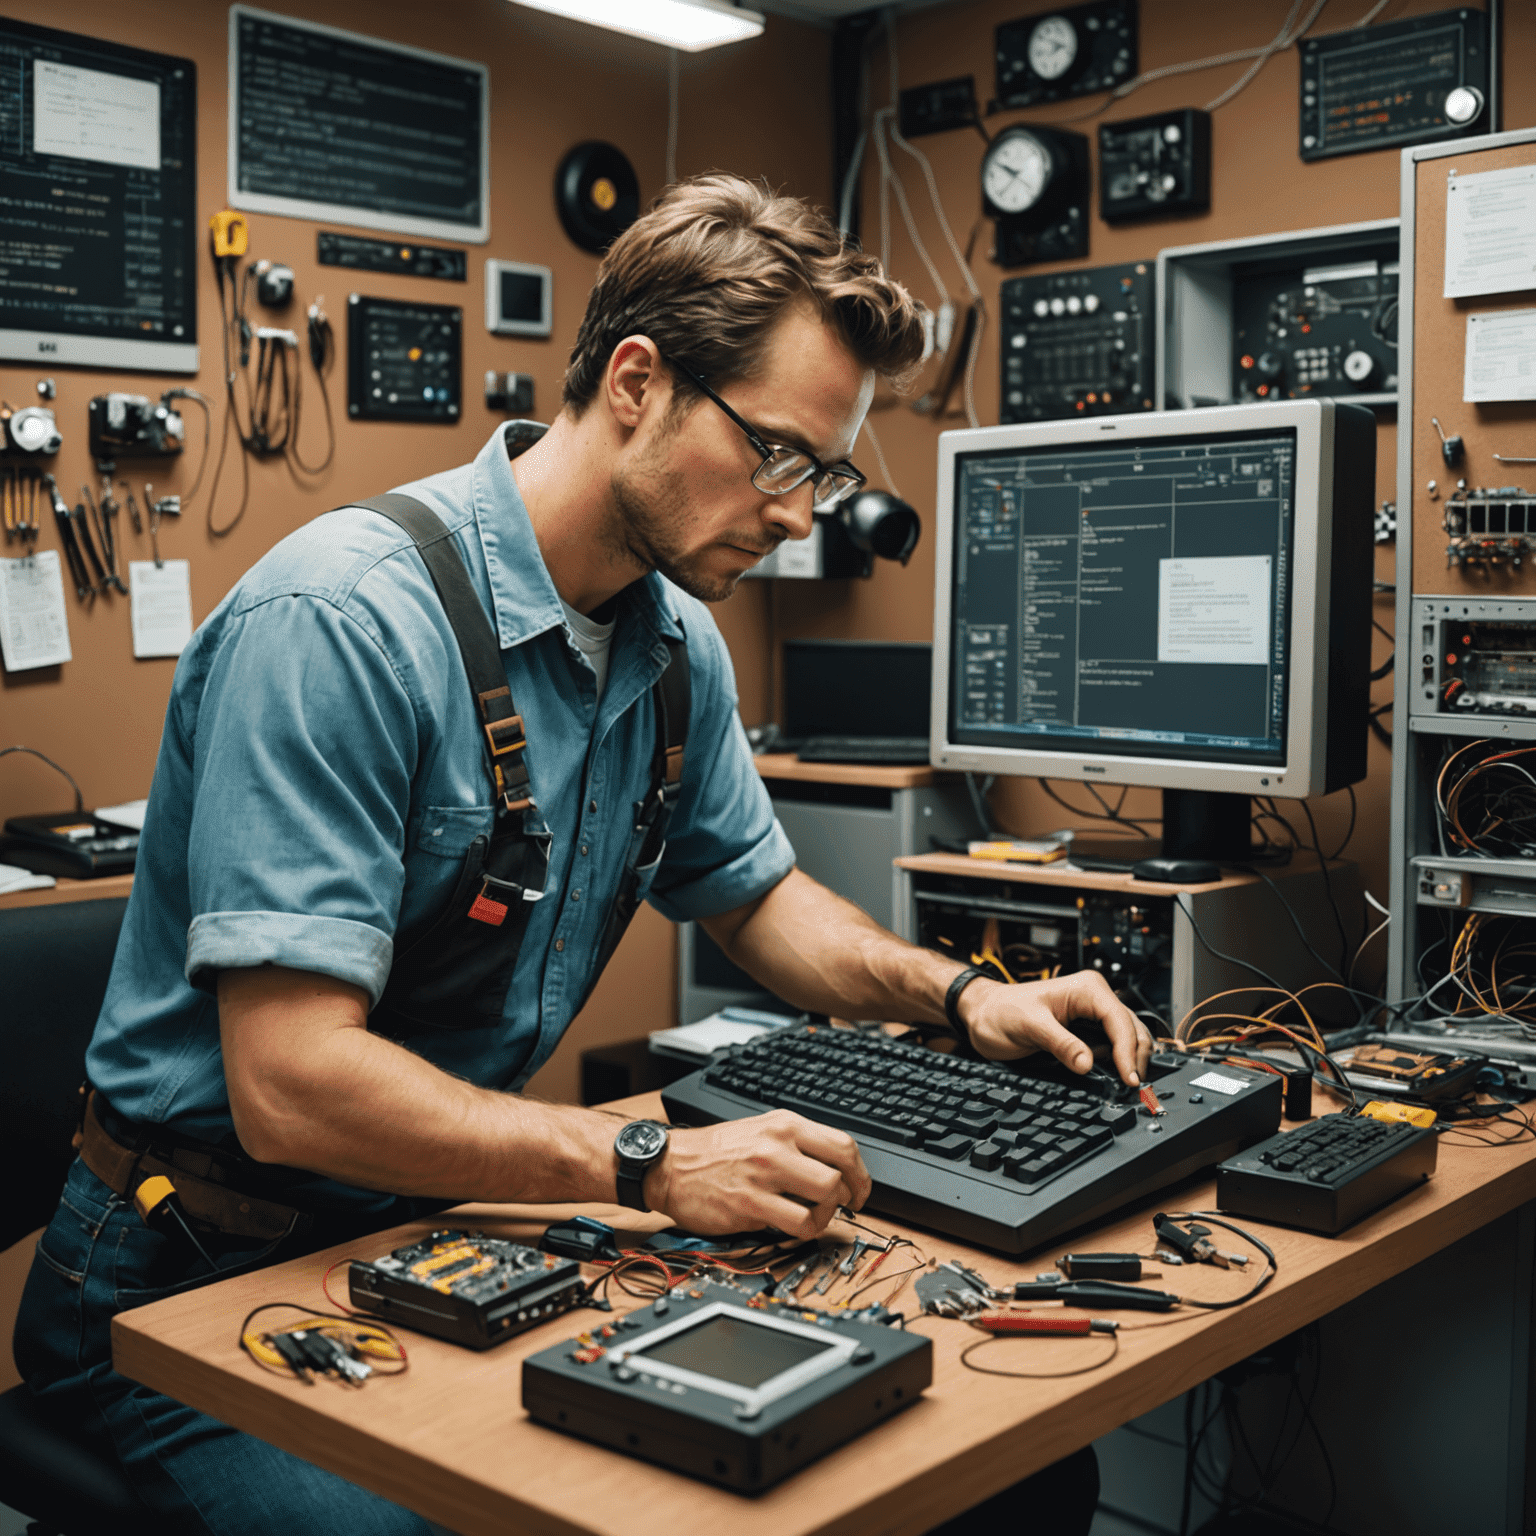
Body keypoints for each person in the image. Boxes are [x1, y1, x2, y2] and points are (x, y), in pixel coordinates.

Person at [17, 174, 1149, 1534]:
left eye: (826, 473)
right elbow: (292, 1087)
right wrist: (649, 1172)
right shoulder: (346, 624)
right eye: (780, 454)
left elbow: (760, 897)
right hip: (185, 1271)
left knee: (920, 1468)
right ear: (636, 381)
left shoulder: (675, 649)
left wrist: (967, 997)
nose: (800, 513)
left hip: (434, 1220)